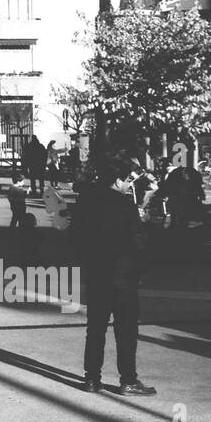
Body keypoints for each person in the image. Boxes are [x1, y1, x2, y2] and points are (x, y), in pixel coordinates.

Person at [70, 158, 156, 396]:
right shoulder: (124, 205)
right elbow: (138, 242)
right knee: (126, 331)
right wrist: (140, 269)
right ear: (118, 180)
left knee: (95, 329)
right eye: (128, 180)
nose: (130, 185)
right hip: (123, 275)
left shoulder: (85, 202)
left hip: (96, 274)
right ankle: (128, 379)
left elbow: (75, 238)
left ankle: (91, 378)